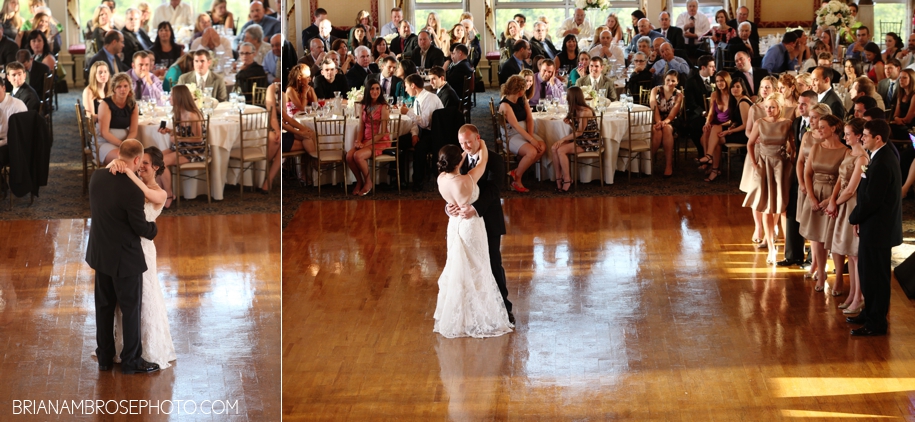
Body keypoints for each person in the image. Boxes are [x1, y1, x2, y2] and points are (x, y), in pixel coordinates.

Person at [86, 139, 160, 375]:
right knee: (130, 309)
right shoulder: (133, 189)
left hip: (100, 253)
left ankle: (105, 357)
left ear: (119, 154)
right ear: (137, 160)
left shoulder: (96, 177)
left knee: (104, 307)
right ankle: (131, 361)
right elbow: (140, 227)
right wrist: (154, 230)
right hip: (125, 258)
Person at [102, 146, 176, 369]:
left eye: (146, 163)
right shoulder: (130, 182)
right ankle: (125, 347)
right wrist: (114, 164)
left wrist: (127, 170)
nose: (141, 166)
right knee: (125, 300)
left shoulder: (159, 193)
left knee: (144, 298)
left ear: (155, 167)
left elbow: (145, 193)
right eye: (139, 161)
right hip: (123, 247)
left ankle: (146, 349)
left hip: (143, 249)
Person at [438, 126, 515, 335]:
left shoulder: (495, 160)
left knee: (492, 264)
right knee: (466, 267)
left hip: (487, 219)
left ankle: (504, 310)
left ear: (478, 138)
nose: (465, 147)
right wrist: (448, 207)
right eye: (461, 143)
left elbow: (494, 190)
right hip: (462, 224)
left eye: (468, 142)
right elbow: (452, 187)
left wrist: (475, 208)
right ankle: (472, 313)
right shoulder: (458, 161)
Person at [847, 119, 903, 336]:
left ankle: (876, 322)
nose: (862, 138)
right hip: (873, 226)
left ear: (877, 138)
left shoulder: (882, 162)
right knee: (868, 273)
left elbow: (873, 199)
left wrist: (854, 217)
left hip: (879, 229)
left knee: (876, 278)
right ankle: (869, 313)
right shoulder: (879, 157)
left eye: (866, 135)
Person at [743, 92, 795, 264]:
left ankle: (789, 246)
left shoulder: (787, 123)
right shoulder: (760, 123)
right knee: (766, 206)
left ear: (779, 108)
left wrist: (790, 160)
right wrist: (755, 163)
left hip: (781, 166)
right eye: (766, 107)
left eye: (772, 107)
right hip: (764, 166)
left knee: (783, 206)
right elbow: (750, 144)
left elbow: (793, 146)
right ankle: (771, 247)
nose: (769, 110)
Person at [799, 114, 846, 289]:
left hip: (833, 194)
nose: (817, 129)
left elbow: (843, 178)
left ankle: (839, 277)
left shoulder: (845, 151)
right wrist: (811, 197)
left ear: (833, 129)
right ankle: (821, 273)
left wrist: (831, 200)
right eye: (817, 126)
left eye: (822, 126)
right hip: (816, 192)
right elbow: (808, 172)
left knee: (833, 237)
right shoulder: (816, 148)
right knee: (817, 237)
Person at [827, 118, 867, 313]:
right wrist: (832, 199)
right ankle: (852, 294)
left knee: (855, 254)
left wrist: (836, 203)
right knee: (850, 255)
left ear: (859, 136)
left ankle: (859, 296)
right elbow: (840, 180)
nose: (844, 137)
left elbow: (851, 189)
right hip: (842, 202)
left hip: (851, 204)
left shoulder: (862, 159)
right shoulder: (849, 153)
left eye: (848, 134)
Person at [159, 85, 204, 208]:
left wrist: (178, 138)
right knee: (154, 157)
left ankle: (169, 194)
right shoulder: (178, 113)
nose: (169, 98)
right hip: (181, 147)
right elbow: (182, 133)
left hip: (193, 151)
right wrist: (169, 131)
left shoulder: (193, 115)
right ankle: (158, 194)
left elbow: (199, 138)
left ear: (179, 97)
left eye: (171, 95)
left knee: (161, 162)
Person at [498, 75, 544, 192]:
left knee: (542, 147)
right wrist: (531, 140)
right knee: (532, 151)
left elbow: (529, 118)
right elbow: (516, 126)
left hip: (524, 132)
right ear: (519, 91)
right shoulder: (505, 105)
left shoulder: (522, 98)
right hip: (511, 135)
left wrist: (531, 135)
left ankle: (517, 172)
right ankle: (517, 180)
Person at [345, 79, 390, 197]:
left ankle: (368, 182)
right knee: (349, 156)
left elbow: (382, 132)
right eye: (372, 89)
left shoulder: (383, 107)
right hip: (366, 140)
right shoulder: (364, 106)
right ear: (367, 90)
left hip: (380, 140)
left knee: (358, 156)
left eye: (377, 89)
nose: (375, 91)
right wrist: (359, 141)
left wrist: (366, 144)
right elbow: (361, 127)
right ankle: (359, 181)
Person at [550, 86, 599, 192]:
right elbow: (578, 130)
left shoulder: (585, 111)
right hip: (580, 139)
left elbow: (580, 132)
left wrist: (562, 139)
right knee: (554, 147)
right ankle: (558, 178)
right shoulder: (575, 109)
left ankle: (567, 179)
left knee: (561, 150)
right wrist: (571, 124)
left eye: (567, 97)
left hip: (589, 142)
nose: (566, 99)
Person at [399, 73, 443, 191]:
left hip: (434, 134)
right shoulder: (418, 99)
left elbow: (424, 123)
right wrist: (414, 135)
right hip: (422, 131)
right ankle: (400, 179)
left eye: (407, 86)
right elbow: (415, 122)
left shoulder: (429, 99)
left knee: (419, 148)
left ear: (413, 86)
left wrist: (407, 112)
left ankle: (418, 181)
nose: (406, 90)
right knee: (399, 142)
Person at [696, 71, 733, 182]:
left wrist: (721, 125)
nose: (719, 83)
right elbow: (711, 113)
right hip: (715, 124)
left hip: (727, 126)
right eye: (717, 81)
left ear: (727, 80)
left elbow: (734, 119)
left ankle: (711, 164)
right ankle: (712, 165)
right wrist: (707, 123)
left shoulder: (732, 95)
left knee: (715, 137)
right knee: (705, 134)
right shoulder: (714, 95)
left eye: (722, 80)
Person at [96, 72, 138, 166]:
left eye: (125, 86)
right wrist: (121, 145)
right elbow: (104, 133)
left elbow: (133, 131)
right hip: (105, 143)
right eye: (119, 86)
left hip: (124, 144)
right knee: (124, 159)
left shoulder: (133, 105)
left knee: (138, 158)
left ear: (130, 88)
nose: (122, 89)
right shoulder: (106, 104)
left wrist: (127, 144)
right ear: (114, 89)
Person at [649, 70, 683, 177]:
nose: (670, 82)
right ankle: (648, 162)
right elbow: (653, 108)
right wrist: (659, 122)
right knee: (657, 131)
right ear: (664, 79)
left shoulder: (679, 95)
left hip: (671, 121)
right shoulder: (655, 90)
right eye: (668, 80)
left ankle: (669, 165)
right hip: (656, 118)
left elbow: (673, 114)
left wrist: (664, 122)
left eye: (673, 81)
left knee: (667, 129)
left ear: (677, 82)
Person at [685, 55, 716, 158]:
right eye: (711, 66)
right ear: (703, 68)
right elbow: (690, 103)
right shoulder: (691, 81)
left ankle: (715, 155)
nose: (714, 69)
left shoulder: (716, 79)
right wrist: (703, 113)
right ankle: (702, 153)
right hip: (698, 114)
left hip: (714, 113)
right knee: (697, 126)